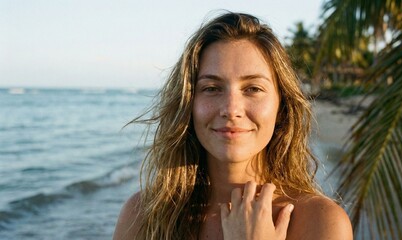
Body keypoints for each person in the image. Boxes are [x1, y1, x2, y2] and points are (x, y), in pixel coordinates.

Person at [113, 12, 353, 240]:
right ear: (188, 104)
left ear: (281, 107)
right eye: (212, 88)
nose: (231, 109)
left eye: (253, 89)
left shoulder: (321, 223)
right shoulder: (142, 215)